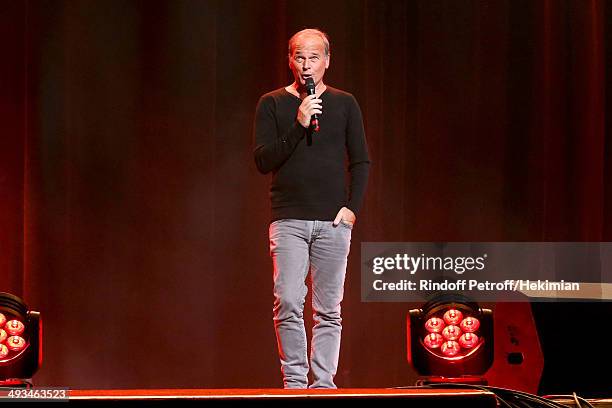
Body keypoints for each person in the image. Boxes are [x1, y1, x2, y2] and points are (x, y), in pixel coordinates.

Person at [253, 28, 370, 389]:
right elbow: (263, 160)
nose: (307, 65)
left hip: (333, 223)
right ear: (290, 60)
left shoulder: (345, 103)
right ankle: (294, 383)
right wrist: (298, 123)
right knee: (288, 300)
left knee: (328, 310)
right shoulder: (272, 103)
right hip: (288, 219)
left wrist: (351, 209)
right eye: (300, 57)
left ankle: (322, 385)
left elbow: (361, 161)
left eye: (314, 57)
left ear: (327, 61)